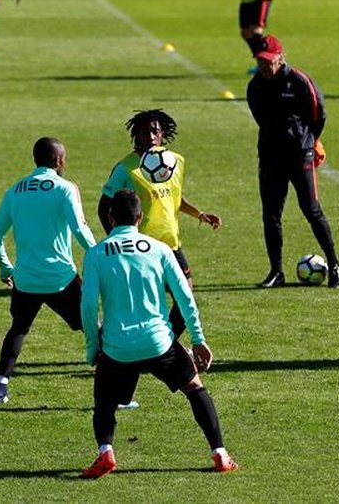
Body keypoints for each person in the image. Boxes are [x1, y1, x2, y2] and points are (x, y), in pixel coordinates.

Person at [80, 189, 238, 478]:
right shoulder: (160, 249)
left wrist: (93, 348)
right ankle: (220, 454)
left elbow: (88, 306)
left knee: (105, 400)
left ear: (111, 216)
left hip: (117, 347)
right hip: (159, 343)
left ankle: (106, 452)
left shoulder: (97, 253)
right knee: (195, 388)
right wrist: (198, 340)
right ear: (140, 218)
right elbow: (185, 297)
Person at [0, 137, 97, 405]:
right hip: (61, 279)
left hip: (25, 279)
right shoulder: (65, 189)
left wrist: (5, 268)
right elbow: (80, 230)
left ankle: (0, 389)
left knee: (18, 329)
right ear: (59, 161)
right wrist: (100, 256)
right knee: (93, 328)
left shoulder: (15, 190)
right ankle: (116, 391)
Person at [97, 109, 221, 338]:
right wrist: (116, 239)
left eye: (155, 131)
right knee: (134, 305)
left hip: (171, 245)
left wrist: (199, 214)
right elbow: (104, 206)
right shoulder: (126, 168)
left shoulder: (175, 162)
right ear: (137, 136)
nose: (150, 137)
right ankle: (107, 347)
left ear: (163, 134)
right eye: (145, 132)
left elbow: (174, 197)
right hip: (140, 248)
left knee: (186, 299)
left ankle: (165, 343)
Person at [246, 34, 339, 289]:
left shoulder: (299, 81)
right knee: (271, 215)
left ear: (280, 56)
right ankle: (276, 271)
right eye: (260, 60)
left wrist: (308, 141)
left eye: (268, 60)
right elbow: (260, 119)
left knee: (311, 209)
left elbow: (318, 114)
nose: (264, 65)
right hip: (270, 157)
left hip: (300, 155)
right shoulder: (255, 86)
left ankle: (334, 264)